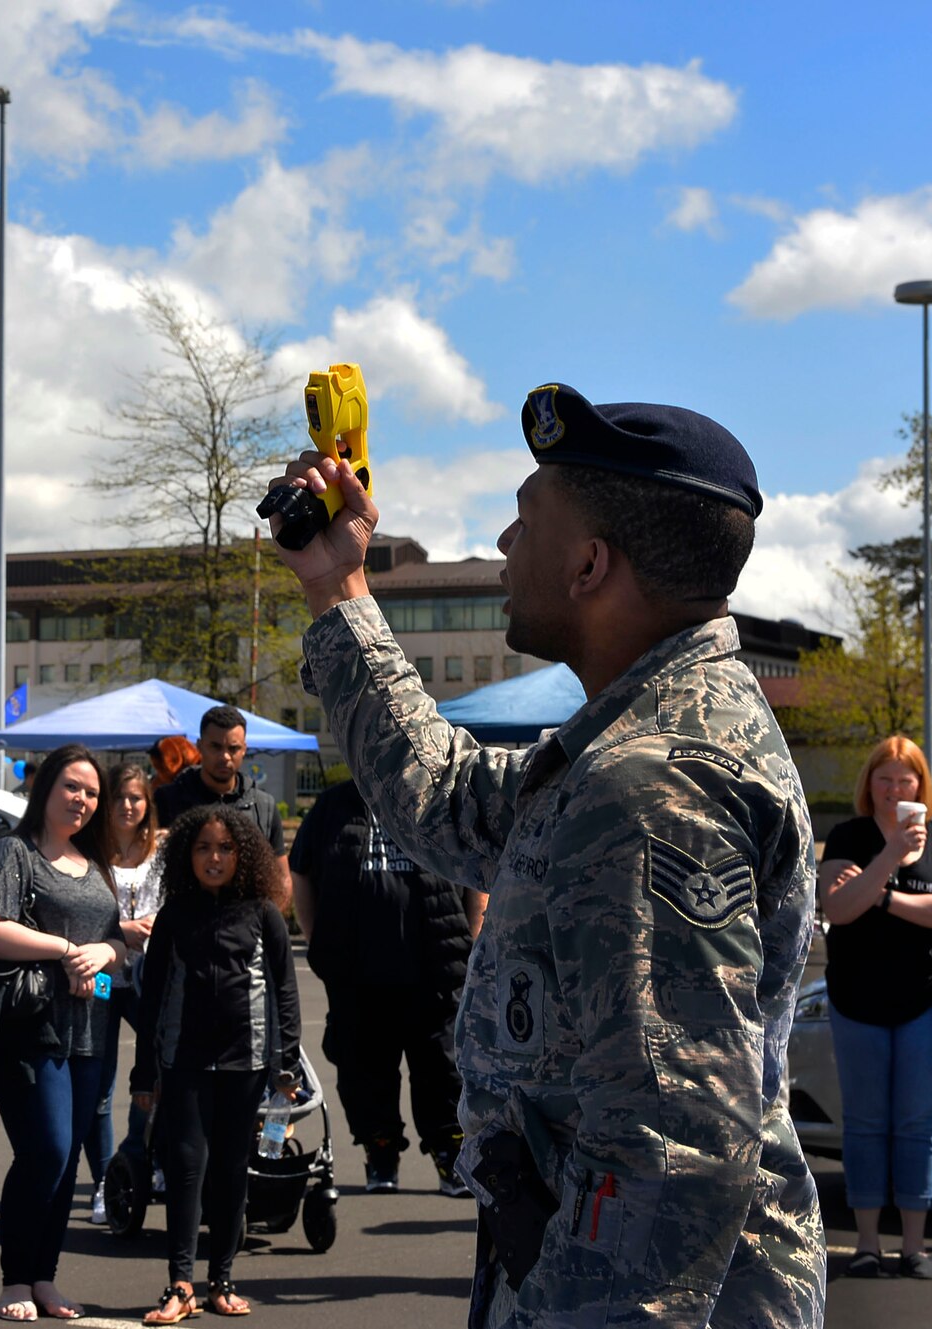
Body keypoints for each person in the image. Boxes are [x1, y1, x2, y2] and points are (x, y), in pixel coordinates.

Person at [266, 382, 826, 1323]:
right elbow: (445, 800)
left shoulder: (653, 783)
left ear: (590, 564)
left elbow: (670, 1153)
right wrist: (338, 584)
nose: (503, 543)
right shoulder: (631, 743)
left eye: (527, 519)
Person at [0, 743, 125, 1322]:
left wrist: (106, 950)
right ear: (47, 788)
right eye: (72, 787)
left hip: (92, 1033)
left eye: (92, 792)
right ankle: (14, 1279)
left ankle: (44, 1277)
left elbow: (114, 948)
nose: (82, 800)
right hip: (30, 1032)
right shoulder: (14, 853)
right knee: (46, 1151)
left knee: (68, 1158)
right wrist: (65, 951)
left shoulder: (95, 863)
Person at [131, 807, 299, 1323]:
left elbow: (285, 992)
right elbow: (152, 995)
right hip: (184, 1062)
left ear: (242, 854)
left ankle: (221, 1280)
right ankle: (179, 1284)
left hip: (246, 1064)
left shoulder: (263, 913)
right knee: (186, 1169)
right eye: (203, 847)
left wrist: (285, 1066)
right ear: (188, 854)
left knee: (230, 1174)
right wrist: (144, 1073)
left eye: (225, 848)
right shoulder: (176, 914)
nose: (214, 857)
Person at [816, 736, 932, 1280]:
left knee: (916, 1125)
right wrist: (888, 859)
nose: (895, 789)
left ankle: (913, 1246)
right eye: (885, 778)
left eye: (905, 780)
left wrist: (881, 896)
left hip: (923, 1004)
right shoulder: (849, 836)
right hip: (856, 1001)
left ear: (920, 787)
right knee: (863, 1124)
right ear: (869, 784)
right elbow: (837, 907)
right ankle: (865, 1245)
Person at [289, 777, 478, 1196]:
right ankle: (380, 1151)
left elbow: (478, 870)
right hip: (357, 973)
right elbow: (300, 867)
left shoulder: (438, 797)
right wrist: (316, 938)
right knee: (362, 1070)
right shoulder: (333, 805)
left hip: (434, 967)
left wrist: (471, 940)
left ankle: (449, 1157)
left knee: (443, 1069)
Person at [84, 762, 162, 1226]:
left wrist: (157, 925)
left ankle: (141, 1162)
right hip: (105, 977)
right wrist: (122, 929)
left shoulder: (163, 849)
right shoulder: (90, 852)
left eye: (136, 798)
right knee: (100, 1082)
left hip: (150, 976)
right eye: (119, 798)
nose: (128, 806)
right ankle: (102, 1182)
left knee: (155, 1072)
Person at [151, 707, 285, 900]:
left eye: (233, 748)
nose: (225, 757)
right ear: (199, 746)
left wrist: (268, 921)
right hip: (184, 921)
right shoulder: (167, 799)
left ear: (244, 749)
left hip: (246, 921)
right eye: (216, 747)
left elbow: (282, 877)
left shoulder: (263, 806)